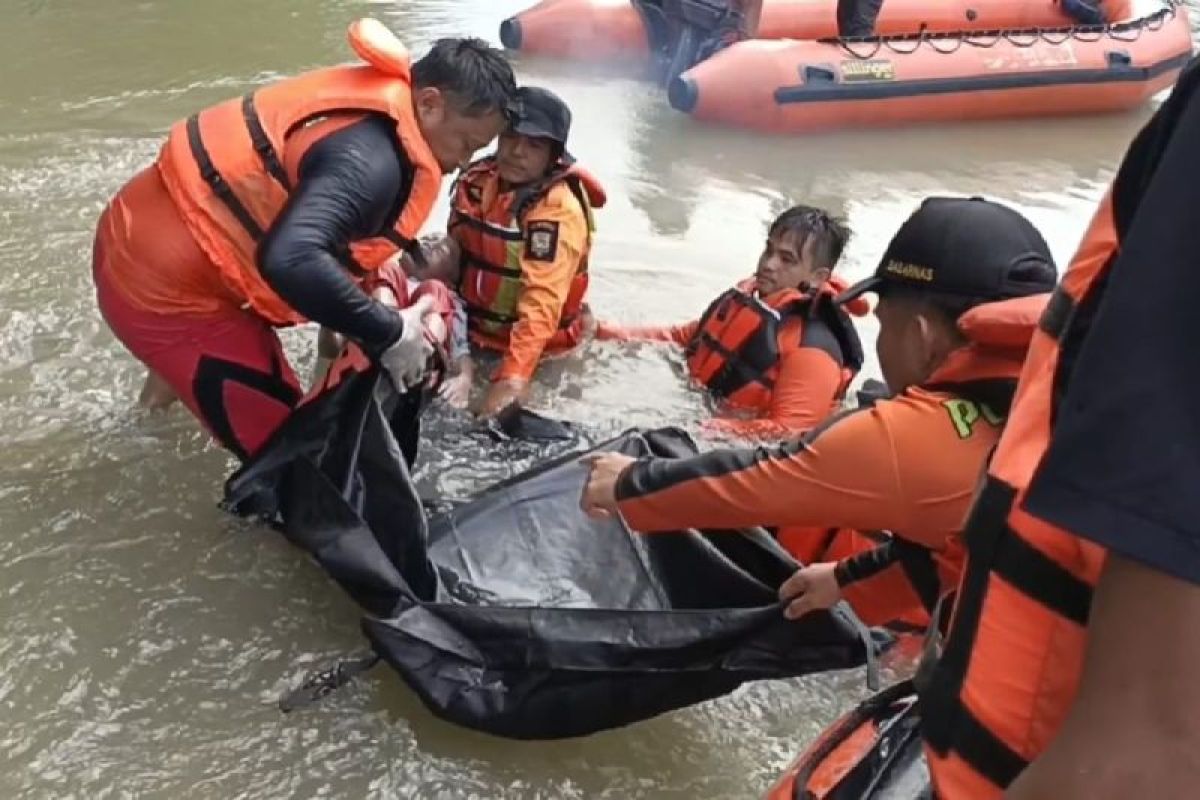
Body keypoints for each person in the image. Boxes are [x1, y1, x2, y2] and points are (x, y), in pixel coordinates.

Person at [578, 196, 1058, 633]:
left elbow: (766, 478)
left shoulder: (909, 433)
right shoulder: (1045, 399)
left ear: (921, 333)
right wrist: (848, 581)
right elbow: (956, 548)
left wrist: (630, 482)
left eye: (884, 325)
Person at [91, 18, 516, 460]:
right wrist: (390, 331)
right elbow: (290, 259)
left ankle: (145, 427)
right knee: (295, 459)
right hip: (160, 288)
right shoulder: (373, 163)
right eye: (466, 143)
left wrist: (373, 301)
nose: (462, 161)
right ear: (429, 103)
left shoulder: (381, 117)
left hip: (137, 226)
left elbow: (325, 242)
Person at [593, 205, 865, 440]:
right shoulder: (752, 303)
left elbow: (790, 431)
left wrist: (701, 429)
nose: (769, 264)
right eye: (768, 250)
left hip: (727, 439)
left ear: (818, 277)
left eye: (786, 259)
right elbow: (682, 337)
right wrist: (603, 331)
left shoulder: (813, 350)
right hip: (706, 410)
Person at [447, 85, 606, 418]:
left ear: (553, 156)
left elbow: (540, 306)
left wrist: (513, 379)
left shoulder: (556, 211)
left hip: (541, 351)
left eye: (533, 145)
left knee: (494, 426)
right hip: (472, 334)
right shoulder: (476, 181)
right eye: (510, 137)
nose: (516, 152)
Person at [314, 235, 474, 408]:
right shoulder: (382, 276)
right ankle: (381, 328)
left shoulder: (450, 298)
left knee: (436, 290)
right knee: (384, 267)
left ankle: (421, 354)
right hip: (374, 333)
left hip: (418, 355)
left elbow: (460, 350)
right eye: (428, 238)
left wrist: (464, 379)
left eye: (441, 249)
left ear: (451, 278)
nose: (429, 243)